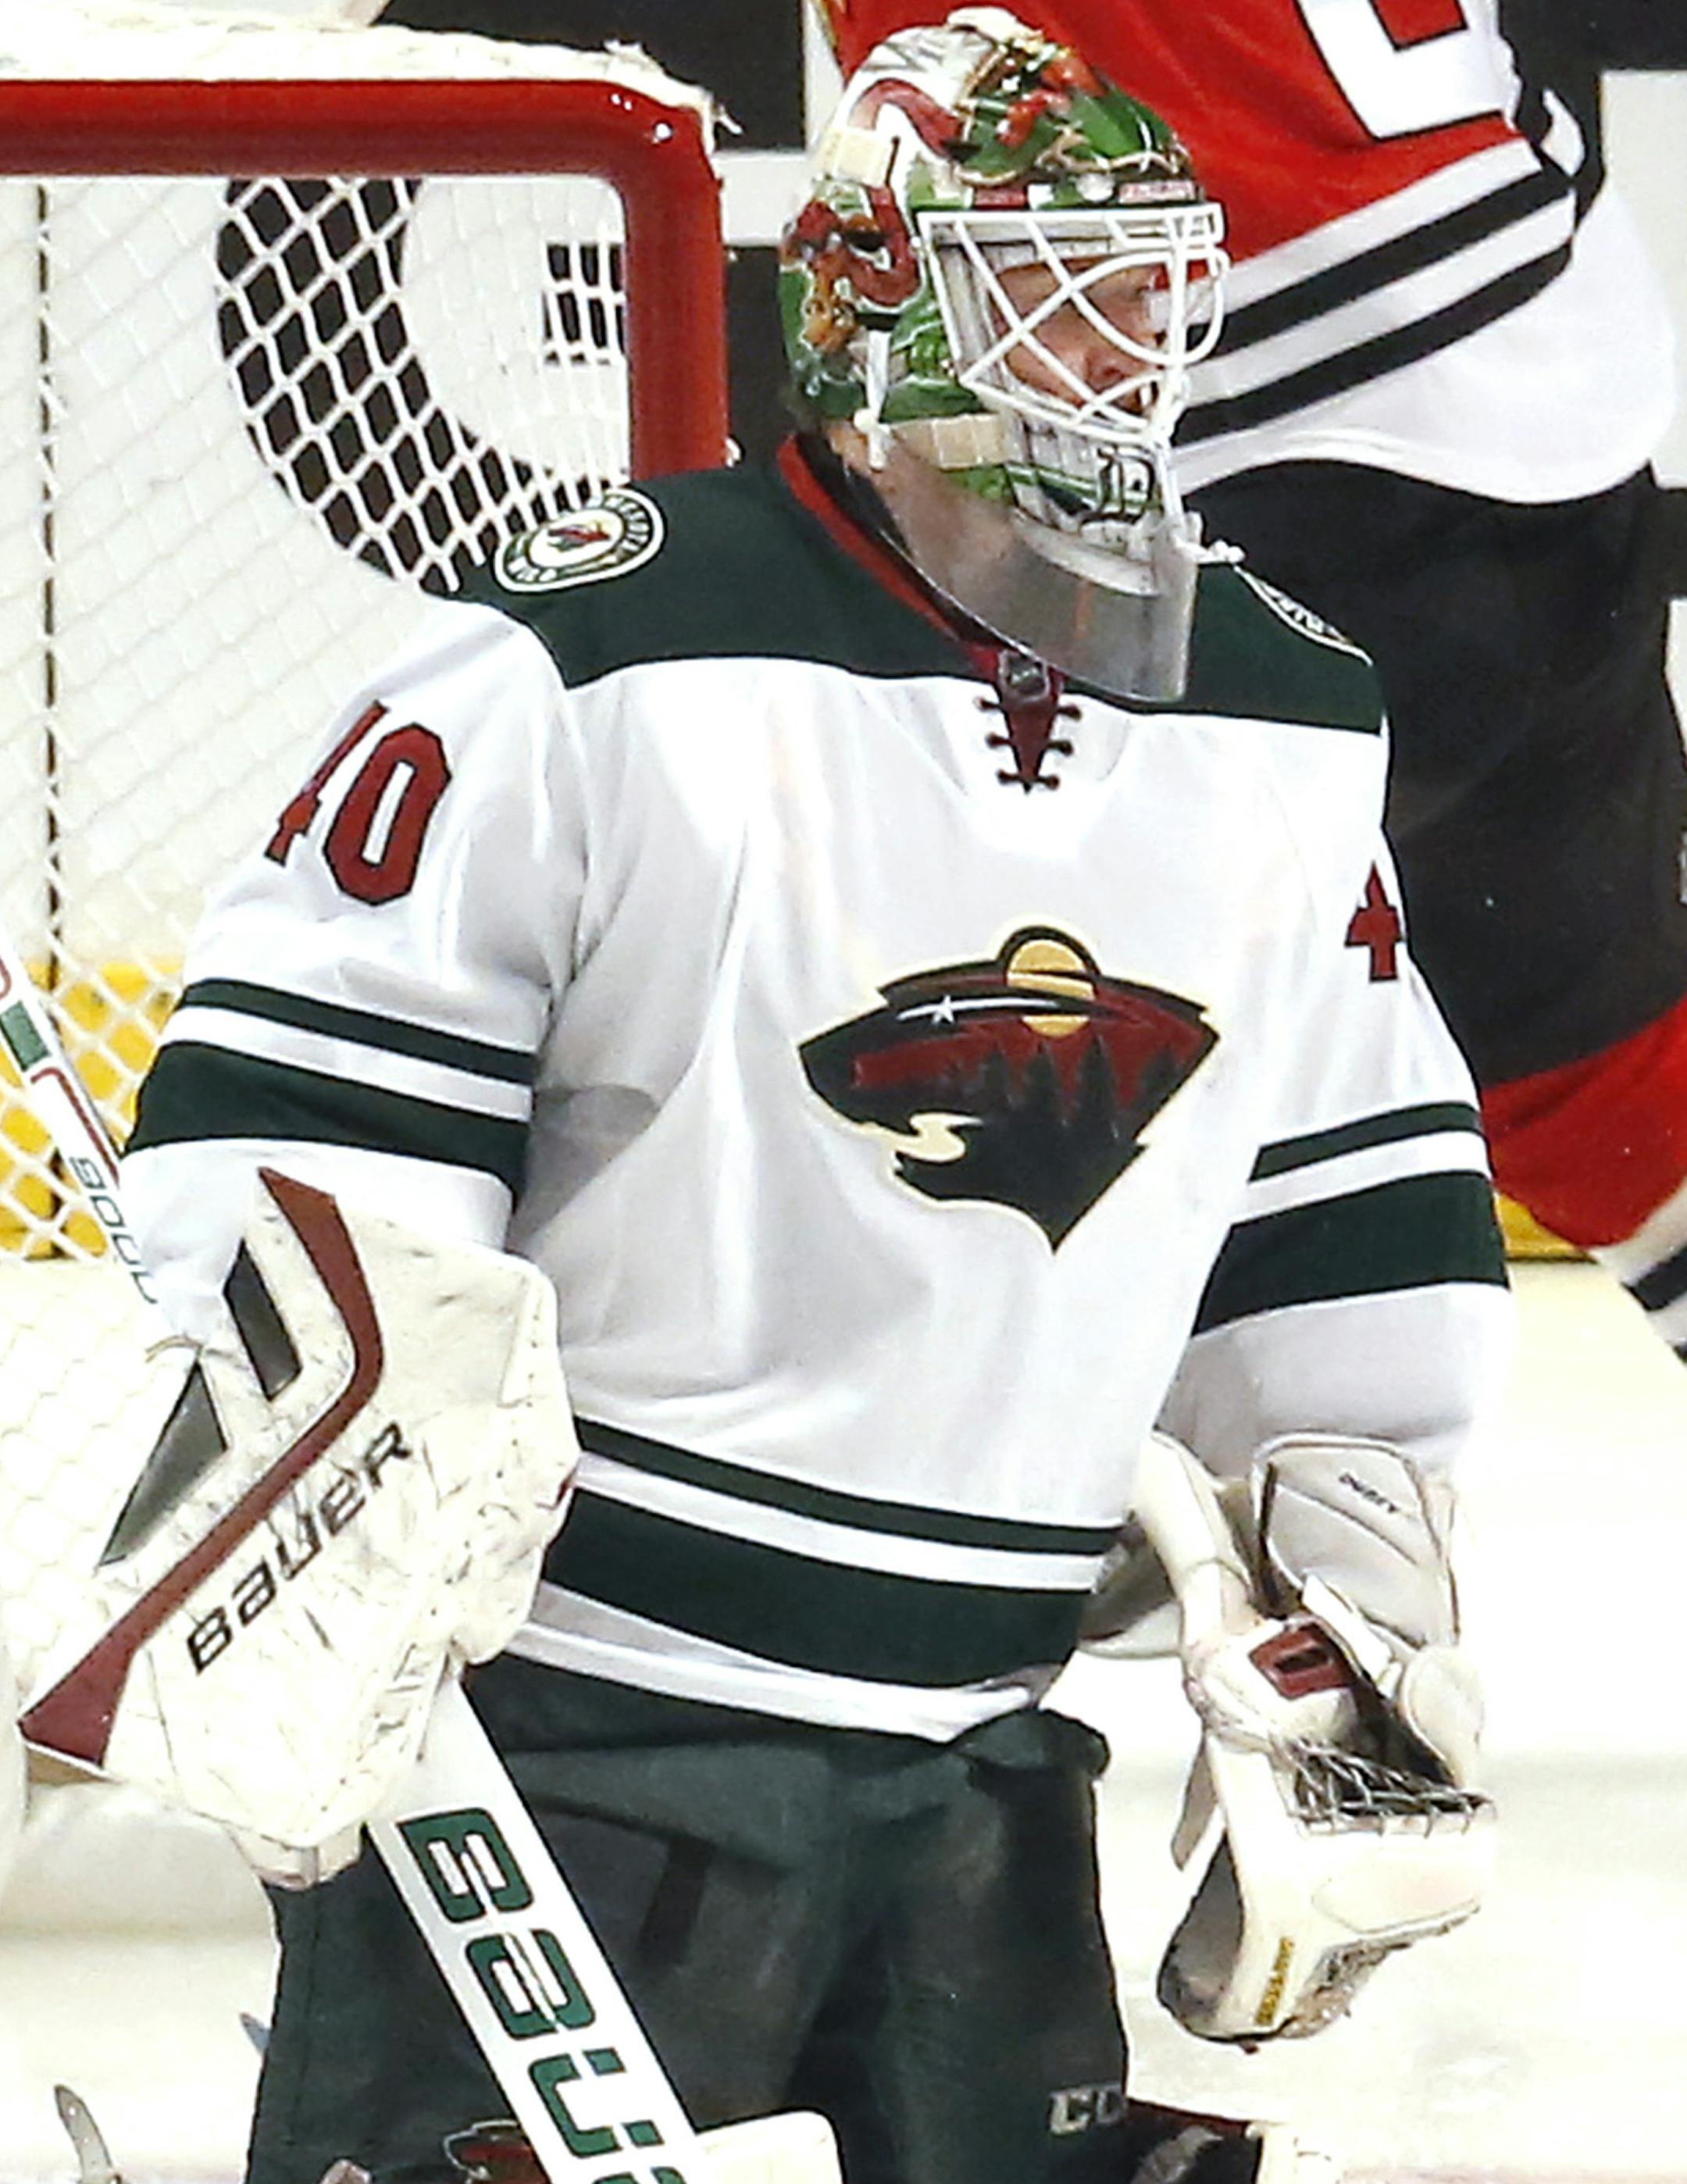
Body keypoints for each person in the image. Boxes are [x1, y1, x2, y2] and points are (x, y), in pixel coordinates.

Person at [121, 14, 1509, 2184]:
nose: (1125, 332)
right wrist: (340, 1455)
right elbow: (316, 1085)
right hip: (587, 1708)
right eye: (1049, 275)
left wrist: (1355, 1557)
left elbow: (1341, 1190)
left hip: (982, 1743)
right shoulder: (594, 655)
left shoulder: (1287, 715)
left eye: (1148, 270)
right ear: (875, 301)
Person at [816, 0, 1687, 1346]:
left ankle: (1023, 1503)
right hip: (1544, 367)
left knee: (1026, 1062)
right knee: (1598, 1083)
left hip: (1270, 435)